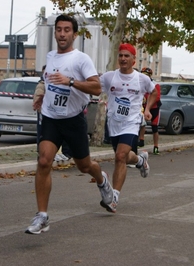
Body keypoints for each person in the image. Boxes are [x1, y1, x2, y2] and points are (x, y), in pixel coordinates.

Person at [26, 14, 113, 234]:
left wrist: (71, 81)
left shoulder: (81, 59)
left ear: (74, 34)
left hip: (73, 120)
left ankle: (102, 179)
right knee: (44, 160)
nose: (62, 34)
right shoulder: (51, 56)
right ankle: (42, 216)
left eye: (66, 30)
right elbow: (47, 81)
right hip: (51, 118)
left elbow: (96, 88)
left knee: (84, 166)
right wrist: (40, 94)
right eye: (59, 30)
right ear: (55, 32)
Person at [99, 43, 157, 213]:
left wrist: (146, 110)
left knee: (120, 156)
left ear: (133, 59)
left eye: (127, 56)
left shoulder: (141, 79)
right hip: (114, 123)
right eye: (121, 56)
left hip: (132, 123)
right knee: (124, 157)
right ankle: (140, 161)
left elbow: (153, 93)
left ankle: (113, 198)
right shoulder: (109, 77)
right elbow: (94, 87)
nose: (123, 59)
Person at [33, 65, 73, 162]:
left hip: (57, 114)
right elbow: (38, 98)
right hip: (45, 114)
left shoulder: (56, 83)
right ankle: (44, 153)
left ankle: (62, 153)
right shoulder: (42, 84)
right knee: (44, 134)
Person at [138, 67, 161, 154]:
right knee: (141, 124)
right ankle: (141, 140)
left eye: (147, 75)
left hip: (154, 108)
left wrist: (147, 102)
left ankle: (156, 146)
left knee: (154, 128)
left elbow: (157, 97)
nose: (145, 77)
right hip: (143, 107)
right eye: (143, 75)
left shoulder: (155, 84)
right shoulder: (139, 84)